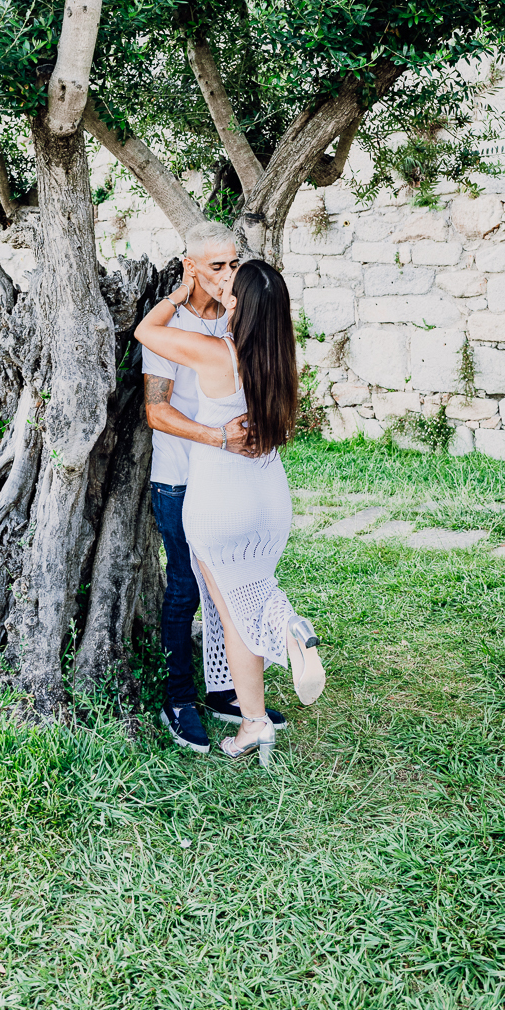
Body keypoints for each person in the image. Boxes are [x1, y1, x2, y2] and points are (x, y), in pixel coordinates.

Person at [136, 256, 325, 766]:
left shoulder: (217, 354)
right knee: (245, 603)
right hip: (269, 500)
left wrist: (179, 295)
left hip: (221, 502)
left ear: (239, 304)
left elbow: (146, 330)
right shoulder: (281, 358)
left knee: (235, 615)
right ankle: (255, 714)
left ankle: (281, 636)